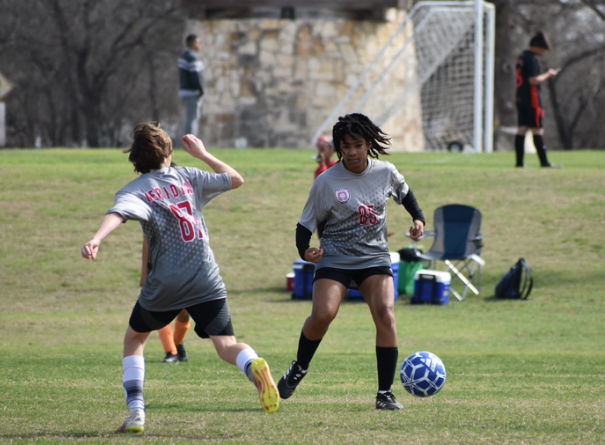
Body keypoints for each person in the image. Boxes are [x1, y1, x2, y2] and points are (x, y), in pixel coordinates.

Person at [81, 123, 279, 433]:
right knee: (227, 345)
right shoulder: (189, 175)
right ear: (169, 153)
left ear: (136, 160)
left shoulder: (136, 190)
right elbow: (236, 179)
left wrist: (96, 239)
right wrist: (203, 154)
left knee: (134, 339)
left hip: (167, 283)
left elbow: (117, 213)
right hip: (205, 276)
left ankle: (136, 414)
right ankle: (253, 365)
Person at [278, 113, 425, 410]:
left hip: (374, 255)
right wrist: (305, 250)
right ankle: (299, 368)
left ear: (368, 143)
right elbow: (304, 225)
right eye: (346, 146)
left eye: (358, 144)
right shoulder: (326, 181)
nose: (353, 151)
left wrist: (418, 219)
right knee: (323, 315)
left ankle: (385, 394)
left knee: (385, 313)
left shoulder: (385, 172)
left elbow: (407, 196)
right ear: (339, 148)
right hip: (335, 255)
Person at [140, 236, 190, 363]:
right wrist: (144, 273)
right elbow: (147, 241)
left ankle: (178, 344)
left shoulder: (188, 217)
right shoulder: (155, 218)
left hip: (185, 268)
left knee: (185, 312)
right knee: (162, 309)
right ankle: (171, 352)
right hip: (160, 269)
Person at [515, 31, 561, 168]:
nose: (542, 52)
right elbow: (533, 80)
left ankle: (519, 162)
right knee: (537, 129)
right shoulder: (531, 59)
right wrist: (548, 74)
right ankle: (544, 162)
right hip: (532, 98)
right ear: (536, 46)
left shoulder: (522, 58)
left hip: (520, 97)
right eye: (542, 49)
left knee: (522, 129)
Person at [179, 34, 205, 137]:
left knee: (189, 118)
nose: (200, 45)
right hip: (192, 92)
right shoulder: (192, 57)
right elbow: (195, 76)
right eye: (199, 42)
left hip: (184, 91)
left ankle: (189, 142)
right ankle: (190, 144)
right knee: (192, 119)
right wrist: (201, 90)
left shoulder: (184, 56)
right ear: (194, 44)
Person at [313, 135, 338, 239]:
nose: (320, 153)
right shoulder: (318, 170)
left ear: (331, 151)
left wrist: (322, 165)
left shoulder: (336, 166)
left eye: (323, 150)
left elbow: (327, 183)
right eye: (319, 150)